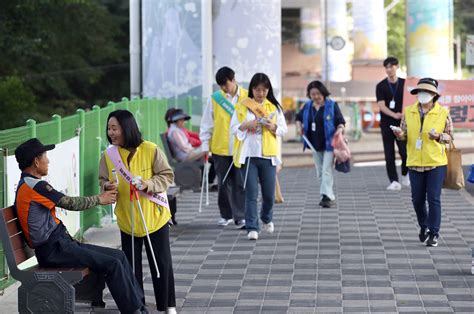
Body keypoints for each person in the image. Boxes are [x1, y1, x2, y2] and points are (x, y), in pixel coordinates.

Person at [13, 138, 148, 314]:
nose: (48, 161)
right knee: (113, 263)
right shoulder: (34, 185)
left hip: (61, 245)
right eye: (45, 156)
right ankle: (134, 311)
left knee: (119, 256)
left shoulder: (31, 184)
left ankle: (139, 306)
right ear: (36, 161)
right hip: (54, 250)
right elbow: (69, 203)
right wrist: (100, 199)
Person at [99, 110, 177, 313]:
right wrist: (107, 186)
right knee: (131, 266)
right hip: (128, 219)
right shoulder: (108, 155)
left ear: (127, 127)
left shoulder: (150, 149)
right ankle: (137, 305)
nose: (111, 132)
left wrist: (147, 184)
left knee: (162, 263)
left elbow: (167, 176)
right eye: (109, 128)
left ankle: (168, 305)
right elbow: (102, 180)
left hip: (155, 217)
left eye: (114, 128)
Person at [392, 78, 453, 247]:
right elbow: (405, 133)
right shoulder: (409, 111)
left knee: (433, 198)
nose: (422, 95)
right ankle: (424, 226)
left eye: (426, 92)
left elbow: (449, 137)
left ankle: (434, 233)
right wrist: (400, 135)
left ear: (434, 95)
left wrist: (438, 136)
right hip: (414, 162)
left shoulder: (443, 112)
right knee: (417, 199)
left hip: (436, 162)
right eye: (420, 92)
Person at [230, 73, 288, 240]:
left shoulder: (274, 108)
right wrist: (245, 125)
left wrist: (273, 127)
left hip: (268, 156)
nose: (260, 93)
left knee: (269, 195)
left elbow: (283, 130)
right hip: (248, 156)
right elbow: (233, 128)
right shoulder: (242, 106)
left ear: (268, 90)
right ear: (252, 90)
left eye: (263, 90)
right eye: (257, 90)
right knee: (251, 193)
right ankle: (252, 227)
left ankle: (267, 218)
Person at [200, 66, 248, 228]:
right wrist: (205, 144)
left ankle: (240, 215)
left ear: (233, 80)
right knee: (223, 183)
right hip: (220, 148)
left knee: (240, 183)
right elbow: (207, 123)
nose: (224, 88)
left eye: (226, 84)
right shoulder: (215, 98)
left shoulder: (247, 97)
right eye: (221, 86)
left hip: (240, 147)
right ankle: (225, 214)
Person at [296, 80, 346, 208]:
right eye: (313, 94)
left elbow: (340, 121)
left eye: (318, 94)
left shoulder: (331, 105)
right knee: (319, 171)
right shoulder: (307, 106)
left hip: (329, 143)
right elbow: (298, 117)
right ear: (309, 95)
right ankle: (327, 195)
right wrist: (298, 126)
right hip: (313, 143)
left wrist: (339, 130)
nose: (316, 97)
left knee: (326, 170)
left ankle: (326, 197)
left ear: (323, 93)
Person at [376, 56, 409, 190]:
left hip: (403, 123)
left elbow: (411, 101)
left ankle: (405, 173)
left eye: (392, 66)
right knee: (389, 153)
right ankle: (394, 180)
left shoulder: (405, 84)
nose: (389, 69)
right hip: (387, 123)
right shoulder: (381, 86)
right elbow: (381, 105)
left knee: (405, 151)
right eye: (387, 67)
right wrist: (394, 114)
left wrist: (403, 114)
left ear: (397, 67)